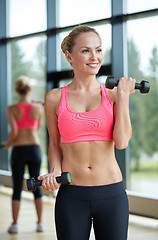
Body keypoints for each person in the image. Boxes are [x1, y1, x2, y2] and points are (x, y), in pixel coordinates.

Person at [38, 25, 135, 240]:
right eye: (86, 51)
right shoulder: (54, 97)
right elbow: (55, 144)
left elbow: (121, 142)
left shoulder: (112, 95)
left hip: (112, 193)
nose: (95, 57)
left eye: (98, 50)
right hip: (72, 195)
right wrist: (54, 170)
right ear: (68, 55)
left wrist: (124, 96)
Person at [3, 76, 44, 233]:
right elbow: (38, 126)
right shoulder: (38, 107)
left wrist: (8, 144)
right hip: (34, 148)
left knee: (17, 187)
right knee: (36, 186)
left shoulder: (12, 109)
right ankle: (40, 223)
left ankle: (14, 224)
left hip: (19, 149)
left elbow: (14, 132)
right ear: (29, 89)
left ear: (16, 90)